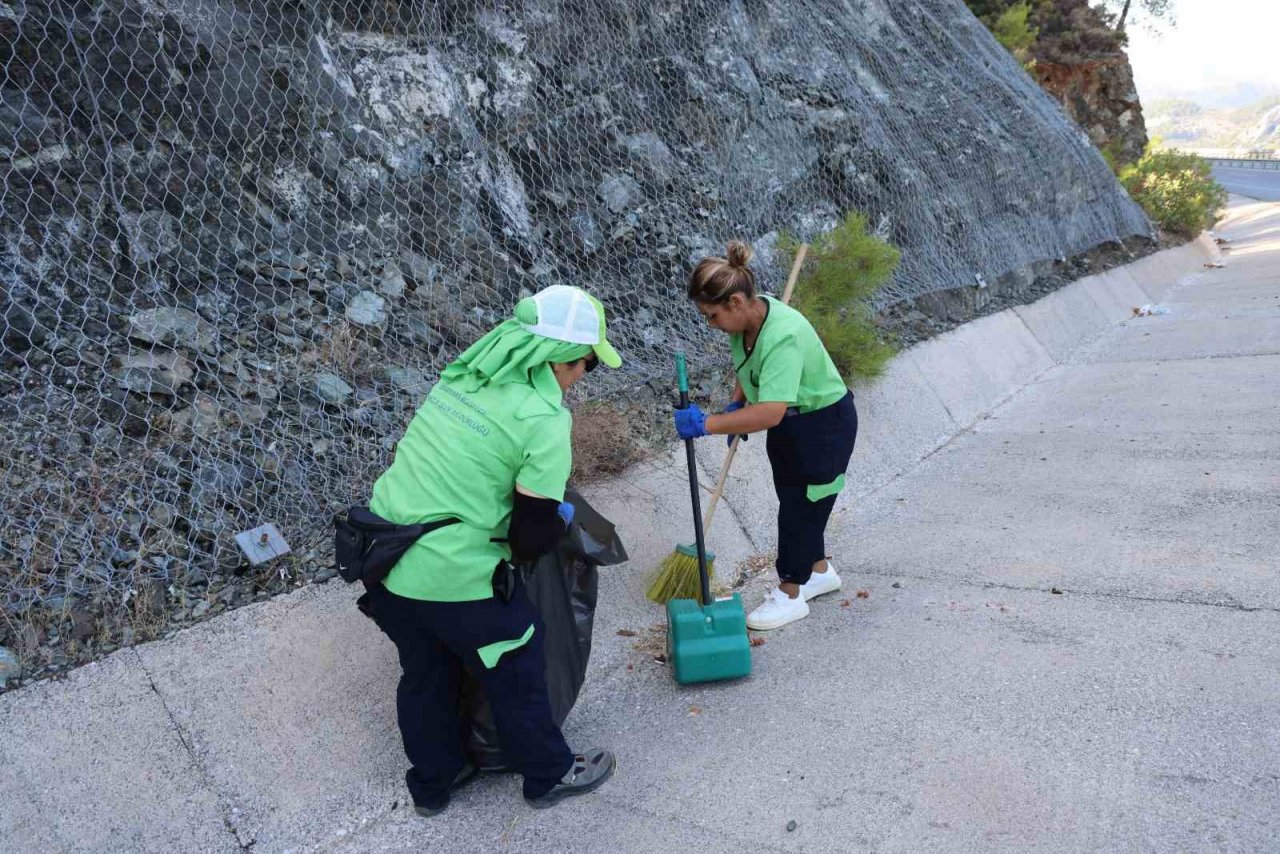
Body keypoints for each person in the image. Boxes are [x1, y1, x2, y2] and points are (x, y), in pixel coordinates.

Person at [362, 284, 621, 815]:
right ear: (558, 360)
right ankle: (548, 774)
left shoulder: (461, 377)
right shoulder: (545, 422)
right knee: (520, 663)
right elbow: (529, 540)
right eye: (586, 365)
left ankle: (434, 783)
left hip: (383, 558)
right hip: (454, 577)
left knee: (425, 674)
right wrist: (557, 520)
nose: (582, 377)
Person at [673, 241, 858, 631]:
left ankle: (790, 594)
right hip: (793, 426)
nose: (711, 324)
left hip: (822, 424)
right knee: (795, 499)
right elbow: (750, 367)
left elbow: (771, 411)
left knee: (800, 511)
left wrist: (707, 423)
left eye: (712, 315)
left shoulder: (782, 334)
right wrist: (737, 404)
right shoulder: (746, 321)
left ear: (736, 302)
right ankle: (819, 571)